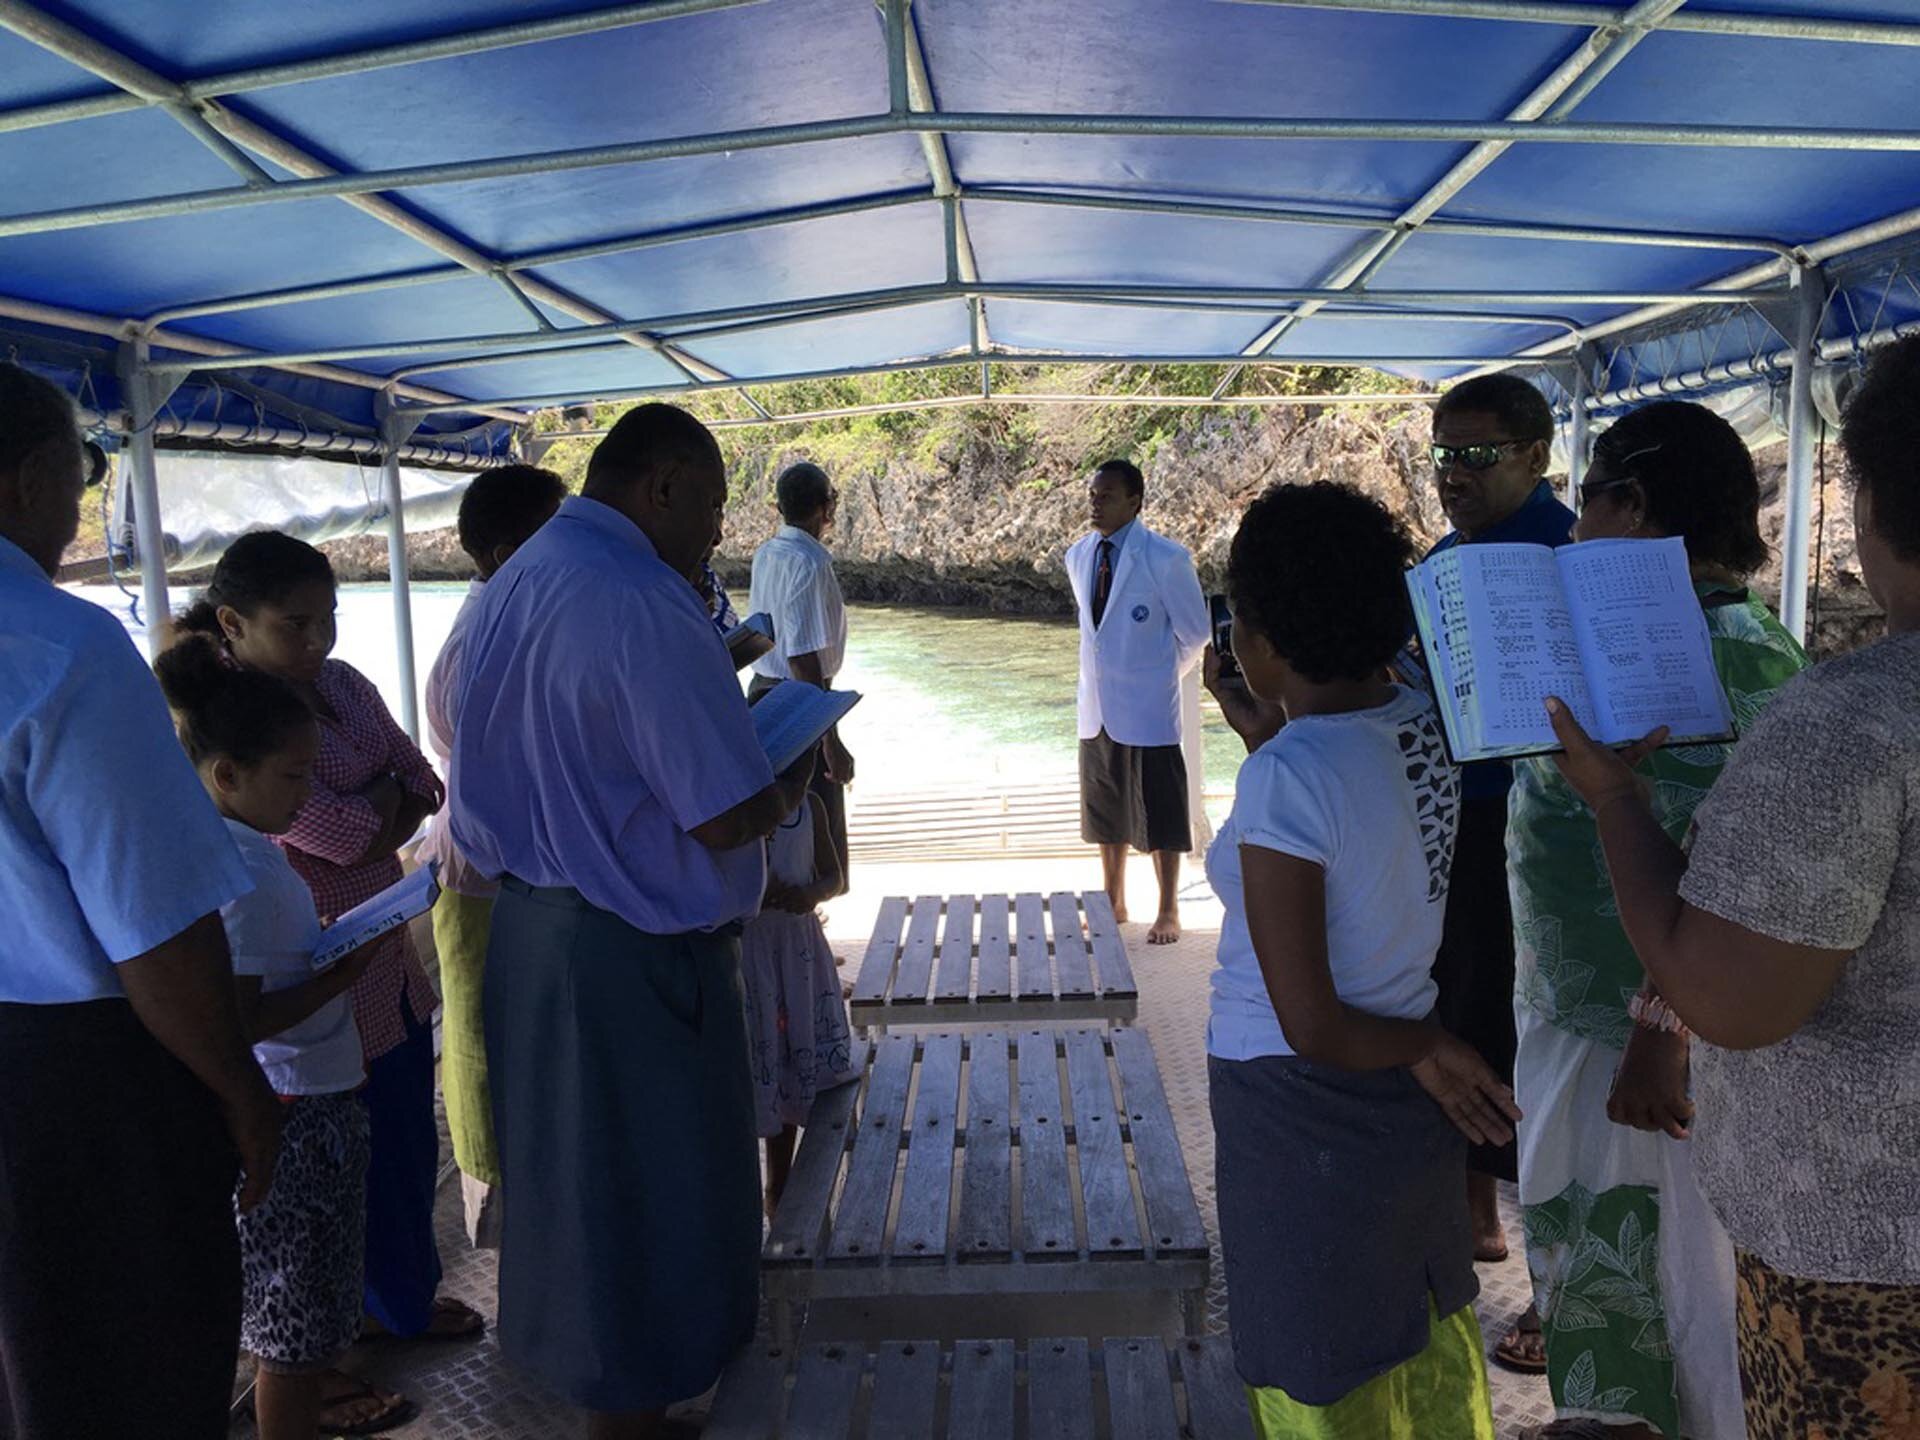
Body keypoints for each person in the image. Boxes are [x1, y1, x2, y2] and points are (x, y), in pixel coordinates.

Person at [1547, 337, 1920, 1440]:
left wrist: (1618, 803)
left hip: (1868, 1253)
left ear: (1873, 497)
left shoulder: (1855, 721)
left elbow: (1737, 1000)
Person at [450, 403, 815, 1440]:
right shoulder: (641, 599)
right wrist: (785, 780)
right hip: (629, 955)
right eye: (706, 505)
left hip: (536, 929)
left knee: (579, 1198)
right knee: (646, 1201)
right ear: (658, 486)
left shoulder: (517, 579)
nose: (713, 532)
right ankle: (631, 1418)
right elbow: (722, 811)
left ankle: (628, 1409)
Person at [1509, 402, 1807, 1439]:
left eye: (1585, 494)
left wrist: (1660, 1030)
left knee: (1667, 1306)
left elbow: (1753, 872)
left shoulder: (1706, 654)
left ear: (1632, 505)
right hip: (1597, 1024)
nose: (1575, 519)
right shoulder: (1698, 639)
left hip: (1640, 1057)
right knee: (1641, 1295)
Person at [0, 361, 281, 1438]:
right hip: (71, 1090)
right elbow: (155, 929)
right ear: (27, 478)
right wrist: (243, 1095)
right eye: (77, 484)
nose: (75, 514)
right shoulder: (58, 646)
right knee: (121, 1380)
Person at [1206, 481, 1515, 1440]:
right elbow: (1361, 841)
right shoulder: (1418, 714)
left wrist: (1270, 751)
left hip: (1294, 1095)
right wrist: (1268, 728)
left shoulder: (1287, 778)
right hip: (1400, 1085)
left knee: (1314, 1341)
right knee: (1408, 1311)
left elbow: (1312, 1022)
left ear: (1258, 642)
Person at [176, 533, 476, 1435]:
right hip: (319, 977)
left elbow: (425, 779)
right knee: (321, 1195)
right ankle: (330, 1361)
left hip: (380, 961)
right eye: (295, 624)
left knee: (398, 1149)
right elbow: (347, 838)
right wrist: (385, 804)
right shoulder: (243, 727)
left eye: (330, 621)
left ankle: (401, 1301)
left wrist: (383, 802)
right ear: (232, 624)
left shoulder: (341, 691)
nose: (319, 642)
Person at [156, 634, 387, 1440]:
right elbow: (240, 1014)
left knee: (300, 1322)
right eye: (291, 779)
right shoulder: (247, 872)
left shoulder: (243, 851)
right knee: (291, 1335)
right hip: (296, 1112)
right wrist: (337, 974)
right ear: (227, 775)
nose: (303, 798)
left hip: (310, 1097)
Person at [1423, 373, 1578, 1369]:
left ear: (1534, 456)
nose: (1454, 475)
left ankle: (1550, 1285)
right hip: (1458, 824)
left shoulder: (1580, 557)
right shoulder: (1443, 559)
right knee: (1458, 1010)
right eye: (1443, 454)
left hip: (1560, 835)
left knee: (1542, 1044)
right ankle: (1474, 1214)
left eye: (1477, 455)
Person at [419, 463, 566, 1249]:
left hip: (503, 867)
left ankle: (520, 1199)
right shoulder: (487, 632)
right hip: (482, 870)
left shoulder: (509, 616)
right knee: (478, 1041)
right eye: (558, 529)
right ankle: (499, 1212)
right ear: (511, 550)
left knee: (507, 1038)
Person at [1066, 458, 1210, 945]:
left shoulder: (1167, 558)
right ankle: (1112, 900)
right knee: (1106, 809)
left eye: (1106, 495)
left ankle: (1168, 908)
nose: (1095, 502)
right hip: (1097, 704)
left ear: (1135, 501)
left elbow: (1195, 632)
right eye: (1092, 494)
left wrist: (1157, 676)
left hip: (1149, 705)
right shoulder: (1078, 555)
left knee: (1162, 811)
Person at [737, 735, 858, 1216]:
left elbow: (835, 878)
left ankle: (779, 1188)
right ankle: (761, 1189)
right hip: (752, 952)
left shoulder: (811, 808)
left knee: (789, 1054)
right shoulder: (741, 817)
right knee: (759, 1053)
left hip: (799, 950)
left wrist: (810, 894)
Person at [748, 460, 854, 892]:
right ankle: (803, 934)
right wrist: (831, 741)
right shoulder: (810, 562)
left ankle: (793, 929)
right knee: (813, 828)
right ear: (826, 507)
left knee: (779, 826)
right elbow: (803, 659)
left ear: (779, 507)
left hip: (761, 693)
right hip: (798, 703)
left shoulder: (766, 553)